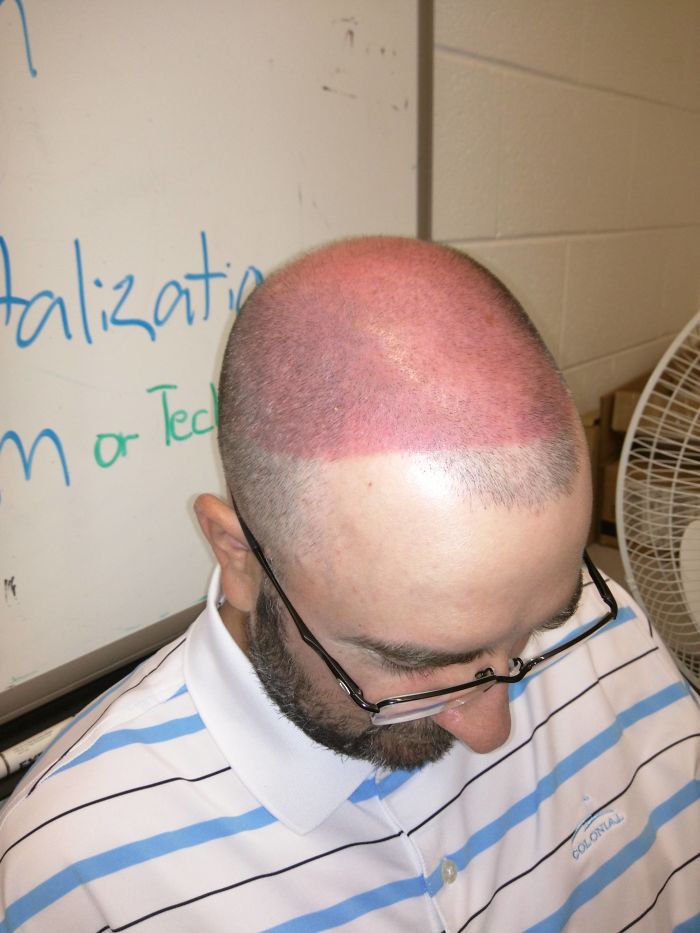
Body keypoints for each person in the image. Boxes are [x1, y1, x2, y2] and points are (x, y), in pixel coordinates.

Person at [0, 237, 698, 932]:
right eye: (411, 663)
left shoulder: (606, 628)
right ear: (239, 558)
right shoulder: (69, 872)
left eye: (540, 626)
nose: (493, 728)